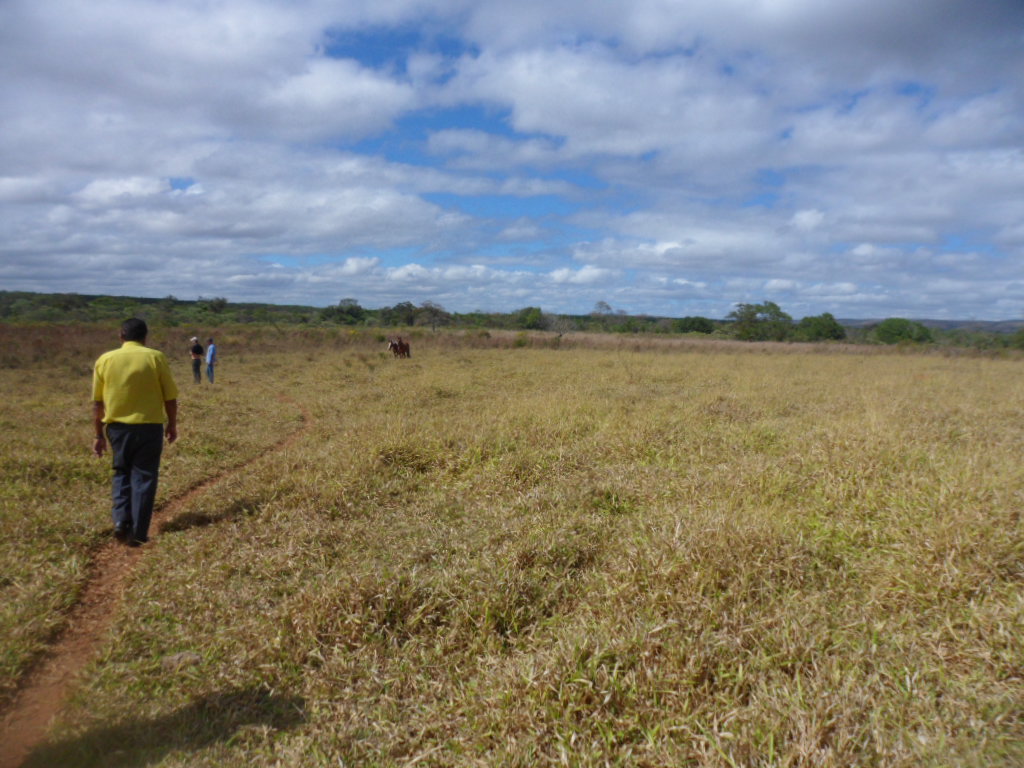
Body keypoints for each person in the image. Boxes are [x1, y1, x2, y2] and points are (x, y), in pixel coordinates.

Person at [92, 318, 178, 547]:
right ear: (145, 337)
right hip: (149, 427)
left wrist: (99, 435)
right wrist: (172, 424)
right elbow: (170, 397)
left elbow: (97, 404)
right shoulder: (155, 357)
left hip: (117, 428)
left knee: (121, 472)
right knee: (145, 476)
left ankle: (121, 520)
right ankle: (139, 532)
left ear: (121, 336)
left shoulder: (105, 360)